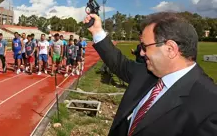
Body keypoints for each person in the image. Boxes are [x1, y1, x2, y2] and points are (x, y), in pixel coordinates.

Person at [84, 12, 217, 136]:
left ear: (170, 49)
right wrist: (97, 31)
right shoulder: (147, 72)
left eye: (145, 47)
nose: (141, 53)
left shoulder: (210, 106)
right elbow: (119, 63)